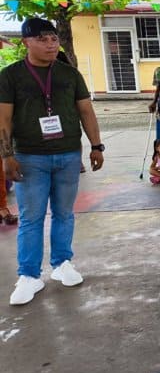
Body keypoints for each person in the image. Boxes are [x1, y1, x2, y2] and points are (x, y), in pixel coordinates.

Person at [0, 17, 104, 306]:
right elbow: (3, 118)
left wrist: (96, 146)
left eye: (53, 39)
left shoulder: (69, 75)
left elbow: (86, 111)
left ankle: (62, 264)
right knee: (31, 218)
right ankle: (29, 275)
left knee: (64, 213)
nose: (50, 44)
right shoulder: (10, 76)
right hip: (29, 157)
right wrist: (6, 155)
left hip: (69, 154)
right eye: (42, 39)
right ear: (26, 42)